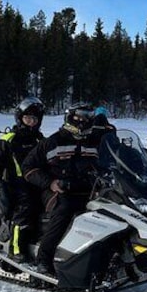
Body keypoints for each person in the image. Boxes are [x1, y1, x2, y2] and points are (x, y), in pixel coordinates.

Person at [22, 103, 105, 275]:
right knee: (66, 208)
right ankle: (44, 258)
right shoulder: (53, 141)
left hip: (89, 189)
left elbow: (111, 162)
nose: (83, 121)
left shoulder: (95, 142)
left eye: (87, 118)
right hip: (57, 190)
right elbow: (28, 168)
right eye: (79, 117)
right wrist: (50, 182)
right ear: (70, 117)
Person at [0, 96, 46, 263]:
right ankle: (16, 248)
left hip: (38, 182)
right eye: (28, 118)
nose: (31, 122)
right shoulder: (8, 141)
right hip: (16, 185)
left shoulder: (40, 140)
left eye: (35, 119)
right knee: (25, 208)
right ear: (20, 118)